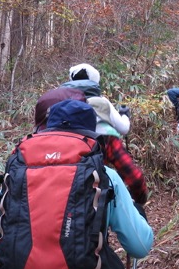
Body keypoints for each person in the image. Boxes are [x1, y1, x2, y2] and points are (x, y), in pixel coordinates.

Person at [0, 100, 153, 269]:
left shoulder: (17, 174)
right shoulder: (106, 177)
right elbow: (140, 246)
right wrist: (138, 213)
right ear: (90, 134)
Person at [34, 63, 148, 205]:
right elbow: (124, 128)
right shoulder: (102, 103)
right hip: (95, 195)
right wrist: (125, 115)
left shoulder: (59, 109)